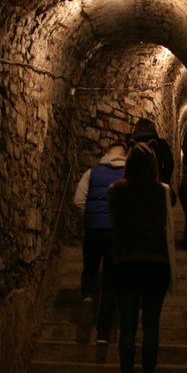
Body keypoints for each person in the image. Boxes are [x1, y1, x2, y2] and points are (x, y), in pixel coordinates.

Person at [107, 141, 176, 373]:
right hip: (155, 263)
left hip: (125, 262)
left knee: (126, 326)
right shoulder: (162, 192)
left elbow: (115, 223)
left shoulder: (115, 191)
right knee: (151, 326)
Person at [73, 139, 126, 342]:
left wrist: (87, 220)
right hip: (116, 231)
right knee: (110, 280)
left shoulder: (92, 172)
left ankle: (87, 296)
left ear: (107, 153)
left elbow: (78, 201)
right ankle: (103, 332)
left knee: (90, 269)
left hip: (93, 228)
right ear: (124, 155)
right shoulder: (127, 174)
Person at [128, 117, 175, 200]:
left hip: (135, 186)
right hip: (156, 185)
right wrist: (163, 180)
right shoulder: (161, 143)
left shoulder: (131, 143)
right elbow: (169, 164)